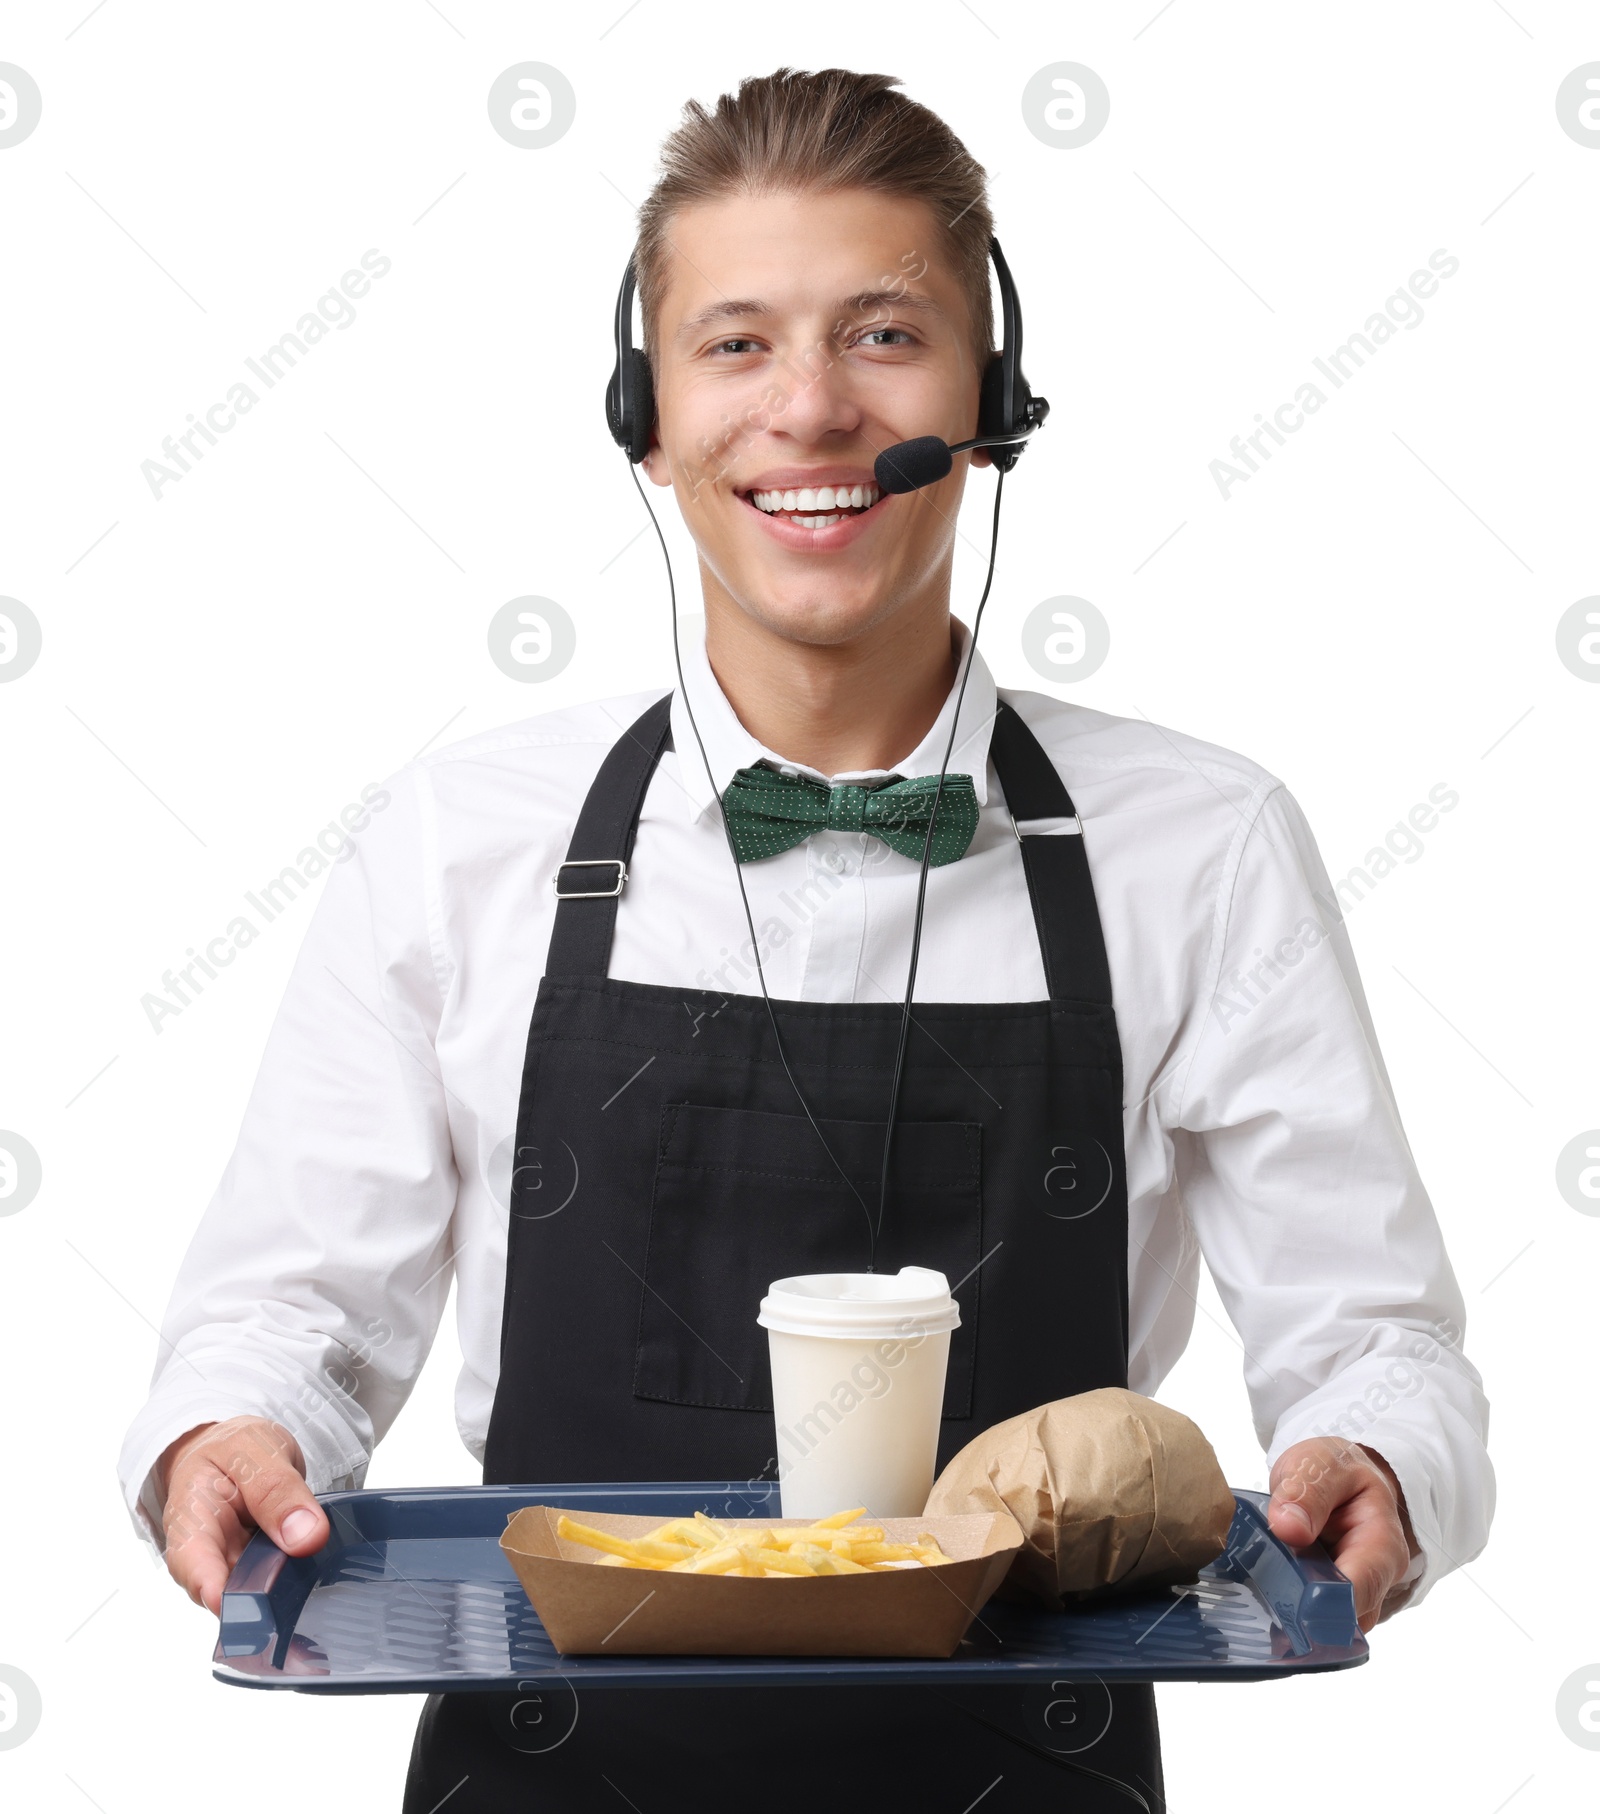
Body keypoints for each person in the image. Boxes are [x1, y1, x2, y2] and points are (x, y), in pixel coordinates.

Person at [120, 68, 1492, 1811]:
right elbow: (285, 1314)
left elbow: (1378, 1340)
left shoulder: (1204, 847)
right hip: (549, 1779)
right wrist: (227, 1436)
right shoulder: (458, 841)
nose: (815, 411)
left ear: (991, 404)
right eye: (739, 344)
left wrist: (1380, 1461)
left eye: (886, 335)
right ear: (646, 412)